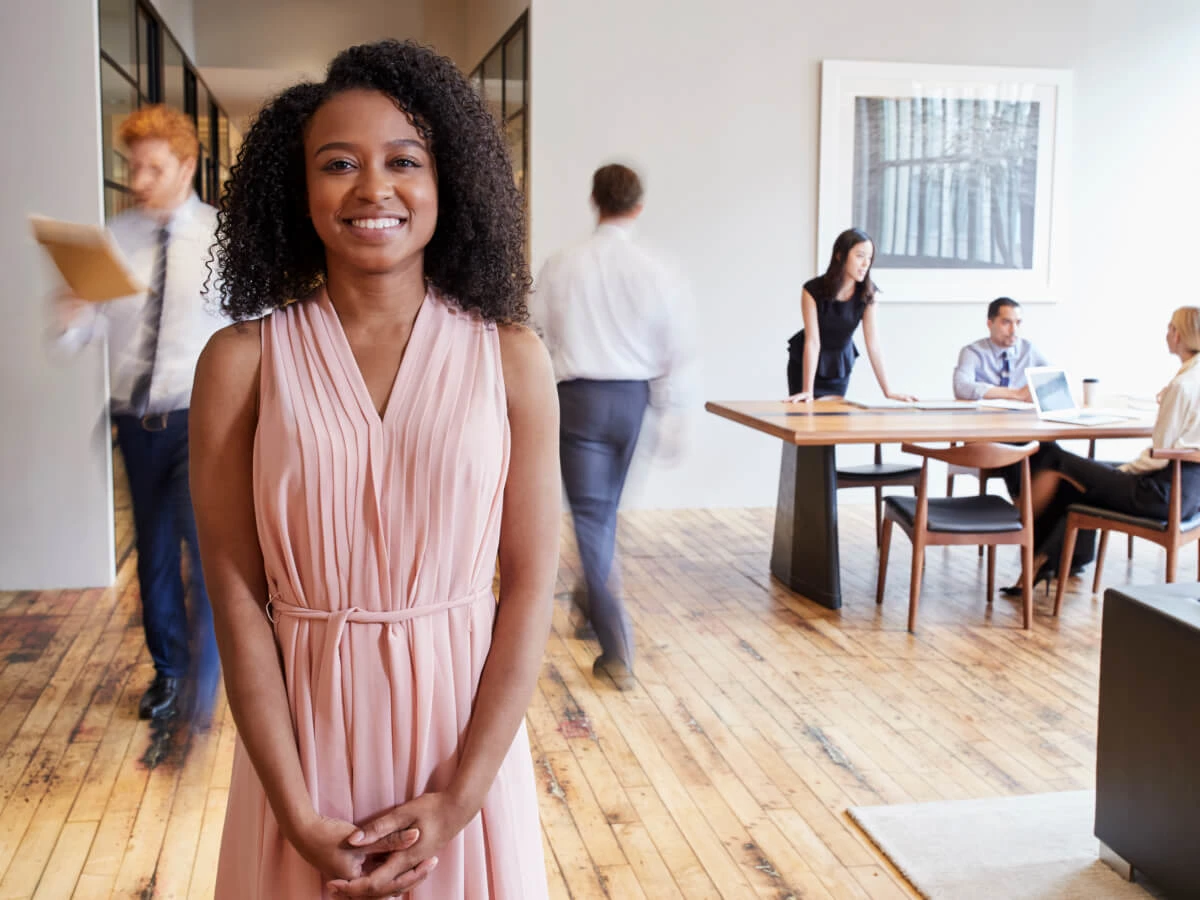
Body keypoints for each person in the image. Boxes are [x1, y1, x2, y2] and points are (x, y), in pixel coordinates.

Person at [189, 41, 558, 899]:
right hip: (303, 754)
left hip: (460, 748)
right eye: (338, 164)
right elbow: (236, 592)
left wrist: (463, 796)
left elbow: (533, 580)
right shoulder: (241, 361)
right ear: (299, 189)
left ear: (447, 180)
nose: (372, 188)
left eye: (404, 161)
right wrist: (293, 809)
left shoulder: (510, 358)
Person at [55, 105, 224, 726]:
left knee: (201, 547)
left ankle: (207, 676)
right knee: (152, 554)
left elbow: (251, 333)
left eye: (154, 167)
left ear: (187, 165)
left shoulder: (220, 238)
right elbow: (79, 338)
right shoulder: (112, 241)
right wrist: (73, 315)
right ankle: (171, 673)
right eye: (133, 167)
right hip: (135, 419)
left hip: (201, 419)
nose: (140, 180)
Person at [529, 163, 694, 691]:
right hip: (633, 401)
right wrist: (671, 412)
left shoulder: (562, 264)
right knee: (602, 516)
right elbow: (677, 349)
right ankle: (590, 607)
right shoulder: (658, 270)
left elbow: (534, 329)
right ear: (638, 207)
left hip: (577, 400)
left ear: (594, 200)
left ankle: (617, 645)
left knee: (594, 519)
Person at [1016, 307, 1200, 587]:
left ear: (1177, 335)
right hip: (1191, 496)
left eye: (1169, 327)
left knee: (1054, 459)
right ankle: (1048, 562)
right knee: (1075, 480)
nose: (1166, 333)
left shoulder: (1183, 385)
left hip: (1162, 495)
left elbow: (1160, 454)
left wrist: (1124, 471)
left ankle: (1021, 532)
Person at [786, 227, 914, 402]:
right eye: (860, 256)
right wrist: (808, 390)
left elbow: (873, 343)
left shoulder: (868, 294)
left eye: (869, 258)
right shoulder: (812, 290)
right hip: (806, 363)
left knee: (833, 422)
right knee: (806, 416)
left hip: (839, 364)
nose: (865, 264)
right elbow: (813, 341)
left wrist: (888, 391)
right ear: (840, 255)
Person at [952, 297, 1050, 401]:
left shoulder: (1029, 349)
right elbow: (961, 387)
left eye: (1018, 323)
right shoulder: (973, 352)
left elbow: (1056, 380)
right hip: (984, 415)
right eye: (1006, 322)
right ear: (990, 324)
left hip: (1021, 415)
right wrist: (1017, 393)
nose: (1014, 330)